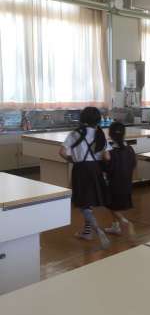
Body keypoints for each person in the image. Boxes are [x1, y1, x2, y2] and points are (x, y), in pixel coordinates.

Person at [59, 107, 109, 249]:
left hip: (81, 169)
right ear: (98, 120)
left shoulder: (75, 133)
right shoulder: (100, 134)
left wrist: (72, 160)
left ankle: (96, 229)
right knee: (89, 201)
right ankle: (87, 233)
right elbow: (107, 156)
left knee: (82, 202)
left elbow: (61, 152)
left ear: (82, 118)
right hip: (95, 168)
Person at [103, 122, 137, 239]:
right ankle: (115, 226)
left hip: (114, 184)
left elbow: (107, 168)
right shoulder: (130, 149)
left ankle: (125, 222)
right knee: (114, 205)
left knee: (109, 204)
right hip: (127, 183)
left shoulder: (111, 152)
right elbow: (133, 164)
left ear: (110, 134)